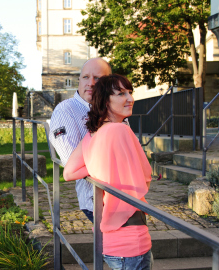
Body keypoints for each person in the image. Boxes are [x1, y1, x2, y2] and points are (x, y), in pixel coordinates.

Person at [63, 74, 153, 270]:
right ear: (105, 100)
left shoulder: (93, 133)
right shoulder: (121, 130)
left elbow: (69, 173)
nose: (130, 98)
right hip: (132, 240)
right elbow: (146, 175)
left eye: (130, 92)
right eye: (121, 93)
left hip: (109, 242)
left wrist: (101, 162)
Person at [49, 58, 112, 223]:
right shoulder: (66, 110)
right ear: (79, 80)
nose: (91, 83)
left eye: (97, 78)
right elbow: (72, 163)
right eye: (85, 77)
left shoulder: (113, 107)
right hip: (96, 200)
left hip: (126, 196)